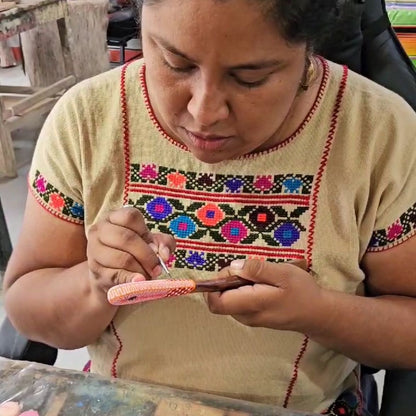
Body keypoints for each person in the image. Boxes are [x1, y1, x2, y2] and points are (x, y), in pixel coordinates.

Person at [3, 0, 416, 414]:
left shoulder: (376, 134)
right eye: (174, 63)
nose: (204, 112)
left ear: (307, 49)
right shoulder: (88, 121)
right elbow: (27, 306)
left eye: (250, 78)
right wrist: (94, 285)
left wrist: (320, 313)